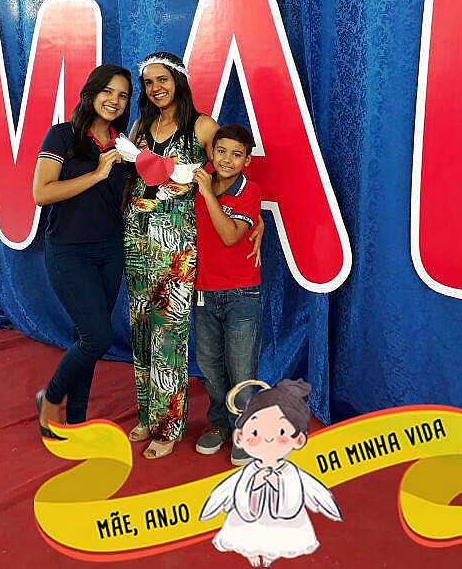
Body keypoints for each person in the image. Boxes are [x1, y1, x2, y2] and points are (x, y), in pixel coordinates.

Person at [122, 52, 220, 459]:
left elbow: (227, 174)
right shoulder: (141, 126)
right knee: (141, 325)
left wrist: (247, 219)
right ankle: (148, 414)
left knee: (168, 332)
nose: (155, 88)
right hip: (136, 235)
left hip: (176, 242)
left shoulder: (202, 126)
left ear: (178, 80)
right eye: (148, 82)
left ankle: (168, 426)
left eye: (161, 79)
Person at [32, 65, 132, 438]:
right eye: (108, 91)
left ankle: (76, 421)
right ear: (91, 92)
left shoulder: (124, 146)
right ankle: (50, 398)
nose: (114, 100)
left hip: (110, 250)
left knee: (87, 338)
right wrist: (97, 174)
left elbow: (123, 199)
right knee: (97, 338)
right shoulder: (63, 135)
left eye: (123, 96)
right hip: (68, 252)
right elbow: (42, 193)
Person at [199, 379, 342, 566]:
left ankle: (237, 424)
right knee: (212, 372)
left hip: (280, 514)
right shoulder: (252, 473)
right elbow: (227, 489)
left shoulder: (288, 472)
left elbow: (310, 488)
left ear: (298, 439)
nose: (267, 439)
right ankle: (221, 425)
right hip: (250, 513)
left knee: (240, 373)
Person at [192, 124, 264, 466]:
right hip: (204, 292)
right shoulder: (198, 179)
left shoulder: (249, 190)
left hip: (241, 293)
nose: (226, 159)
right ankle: (220, 424)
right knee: (210, 365)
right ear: (211, 152)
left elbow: (230, 236)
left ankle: (244, 431)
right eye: (221, 151)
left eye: (236, 155)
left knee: (241, 368)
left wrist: (207, 195)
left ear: (247, 160)